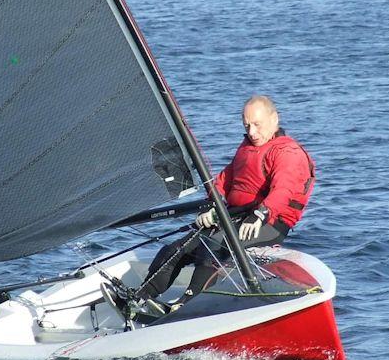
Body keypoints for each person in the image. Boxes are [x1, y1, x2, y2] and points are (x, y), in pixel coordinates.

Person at [102, 95, 315, 316]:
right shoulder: (248, 147)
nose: (252, 132)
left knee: (214, 248)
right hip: (234, 217)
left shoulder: (287, 152)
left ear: (274, 119)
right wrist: (212, 207)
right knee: (175, 249)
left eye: (257, 125)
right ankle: (140, 298)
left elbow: (284, 190)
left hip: (268, 221)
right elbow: (225, 180)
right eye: (246, 125)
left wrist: (259, 214)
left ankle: (186, 305)